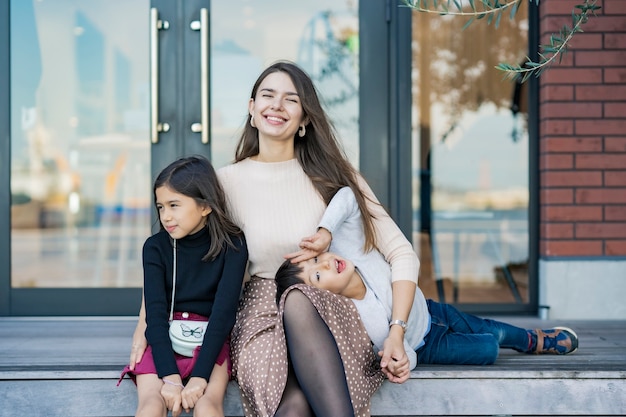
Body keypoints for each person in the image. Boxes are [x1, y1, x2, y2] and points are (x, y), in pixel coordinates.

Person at [129, 61, 418, 417]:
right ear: (252, 109)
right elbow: (174, 254)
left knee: (299, 301)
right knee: (293, 409)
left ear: (305, 119)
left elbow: (401, 253)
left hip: (328, 311)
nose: (276, 105)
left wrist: (396, 331)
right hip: (259, 310)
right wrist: (144, 327)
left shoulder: (337, 178)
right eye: (267, 95)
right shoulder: (224, 183)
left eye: (290, 99)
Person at [276, 186, 579, 372]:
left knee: (491, 328)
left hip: (432, 311)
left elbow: (348, 196)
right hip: (427, 345)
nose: (327, 263)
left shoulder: (348, 247)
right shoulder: (356, 321)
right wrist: (402, 363)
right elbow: (399, 352)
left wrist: (325, 230)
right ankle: (509, 342)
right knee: (488, 348)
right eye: (318, 274)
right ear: (322, 297)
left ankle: (533, 340)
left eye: (318, 259)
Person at [119, 155, 248, 417]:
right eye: (160, 207)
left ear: (205, 206)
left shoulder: (233, 245)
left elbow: (223, 317)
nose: (166, 216)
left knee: (207, 406)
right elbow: (154, 317)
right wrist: (170, 376)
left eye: (174, 205)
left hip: (210, 341)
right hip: (164, 337)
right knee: (151, 405)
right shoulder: (155, 248)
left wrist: (200, 377)